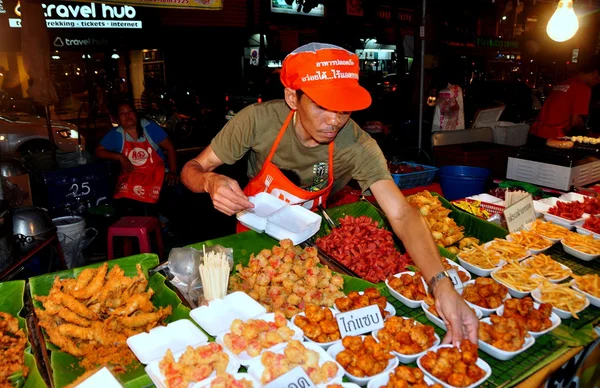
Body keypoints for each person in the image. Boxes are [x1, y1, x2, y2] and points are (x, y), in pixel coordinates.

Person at [181, 42, 477, 346]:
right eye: (322, 105)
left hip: (309, 244)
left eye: (344, 108)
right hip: (251, 235)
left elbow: (402, 213)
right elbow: (191, 168)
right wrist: (210, 181)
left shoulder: (356, 144)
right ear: (291, 97)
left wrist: (441, 283)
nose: (335, 120)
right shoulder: (256, 121)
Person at [96, 100, 180, 218]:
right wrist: (120, 157)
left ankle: (162, 222)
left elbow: (170, 148)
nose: (127, 115)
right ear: (117, 119)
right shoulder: (116, 134)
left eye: (130, 111)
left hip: (157, 173)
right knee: (124, 200)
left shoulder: (149, 127)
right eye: (122, 113)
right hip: (132, 176)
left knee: (168, 195)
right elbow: (99, 152)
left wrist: (172, 171)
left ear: (136, 113)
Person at [529, 55, 600, 144]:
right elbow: (575, 121)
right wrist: (589, 135)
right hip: (553, 137)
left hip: (535, 133)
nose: (597, 83)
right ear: (595, 73)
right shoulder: (583, 88)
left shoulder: (565, 82)